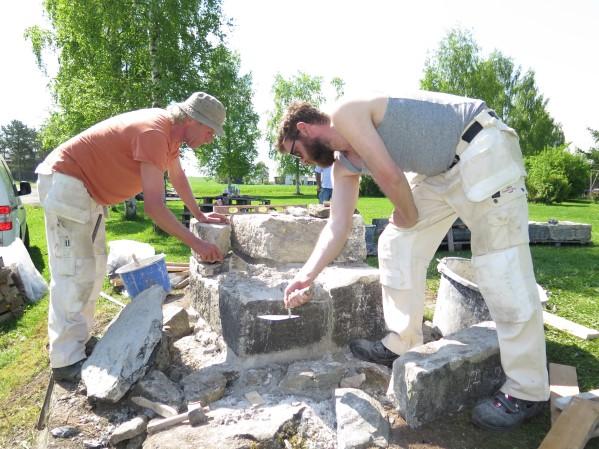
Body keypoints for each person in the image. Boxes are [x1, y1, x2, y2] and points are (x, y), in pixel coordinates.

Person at [277, 91, 549, 431]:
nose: (299, 160)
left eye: (294, 151)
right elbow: (337, 226)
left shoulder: (346, 111)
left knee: (501, 267)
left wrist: (406, 214)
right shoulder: (342, 164)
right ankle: (402, 340)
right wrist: (306, 275)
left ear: (304, 129)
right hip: (438, 174)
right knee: (395, 242)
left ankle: (528, 390)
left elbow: (390, 177)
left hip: (480, 147)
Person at [36, 92, 228, 382]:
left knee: (95, 267)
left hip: (86, 192)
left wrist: (199, 216)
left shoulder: (170, 137)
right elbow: (154, 206)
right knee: (74, 271)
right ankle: (64, 360)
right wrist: (197, 243)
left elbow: (177, 177)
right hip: (67, 182)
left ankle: (79, 341)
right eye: (209, 131)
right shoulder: (154, 132)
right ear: (191, 120)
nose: (211, 138)